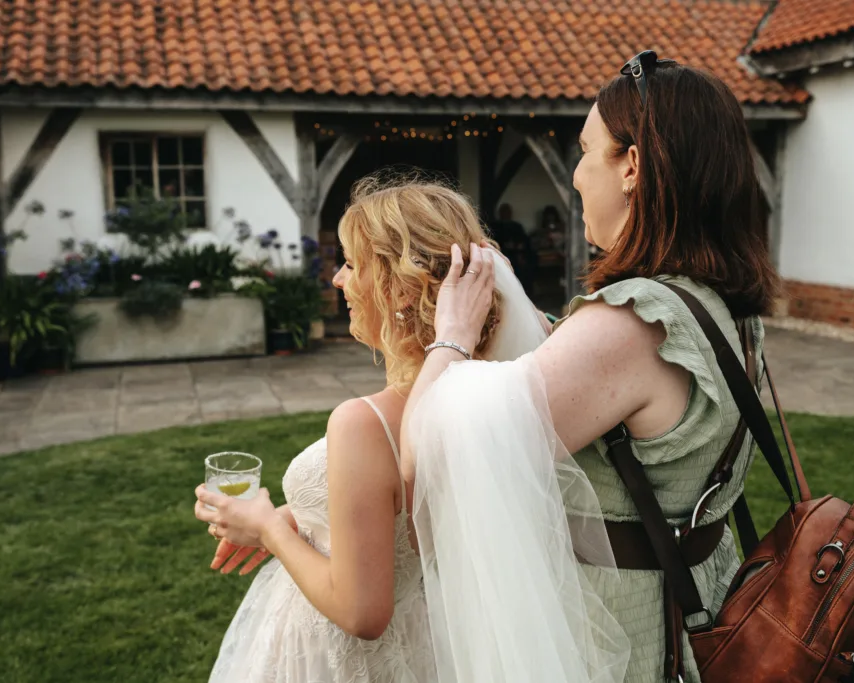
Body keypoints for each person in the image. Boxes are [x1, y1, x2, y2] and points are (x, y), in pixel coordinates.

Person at [400, 52, 778, 683]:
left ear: (632, 166)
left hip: (625, 627)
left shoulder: (631, 324)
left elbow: (429, 450)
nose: (574, 176)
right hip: (700, 589)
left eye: (584, 150)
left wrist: (454, 337)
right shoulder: (717, 301)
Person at [192, 177, 625, 683]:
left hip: (338, 659)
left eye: (352, 264)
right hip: (428, 643)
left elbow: (362, 614)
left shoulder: (363, 422)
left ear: (400, 286)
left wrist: (266, 525)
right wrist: (302, 517)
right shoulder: (487, 397)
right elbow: (396, 515)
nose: (337, 279)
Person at [487, 203, 536, 295]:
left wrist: (519, 248)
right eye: (504, 212)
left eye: (508, 211)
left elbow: (524, 240)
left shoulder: (516, 226)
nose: (506, 213)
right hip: (502, 253)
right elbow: (493, 241)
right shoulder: (495, 226)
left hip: (518, 253)